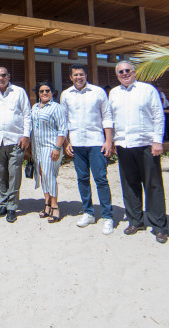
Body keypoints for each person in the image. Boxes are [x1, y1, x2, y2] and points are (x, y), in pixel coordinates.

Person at [108, 61, 169, 244]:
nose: (125, 73)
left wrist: (157, 141)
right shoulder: (114, 93)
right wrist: (112, 141)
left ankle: (159, 226)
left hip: (146, 145)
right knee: (129, 185)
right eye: (121, 72)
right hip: (124, 145)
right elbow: (111, 118)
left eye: (127, 70)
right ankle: (135, 221)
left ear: (134, 72)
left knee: (153, 185)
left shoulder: (147, 90)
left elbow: (158, 115)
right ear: (117, 75)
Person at [60, 64, 115, 235]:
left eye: (81, 74)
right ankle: (88, 212)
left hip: (96, 142)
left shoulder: (98, 92)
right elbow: (63, 121)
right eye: (75, 75)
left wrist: (108, 140)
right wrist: (66, 142)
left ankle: (107, 216)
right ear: (71, 77)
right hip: (76, 143)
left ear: (86, 75)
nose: (79, 77)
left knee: (101, 179)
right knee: (82, 179)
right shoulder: (66, 95)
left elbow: (107, 116)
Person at [0, 67, 31, 223]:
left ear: (9, 76)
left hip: (16, 140)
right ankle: (3, 203)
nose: (1, 78)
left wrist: (26, 135)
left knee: (14, 174)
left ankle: (12, 206)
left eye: (4, 75)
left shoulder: (19, 92)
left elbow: (27, 114)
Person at [30, 81, 68, 223]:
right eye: (41, 91)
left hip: (51, 146)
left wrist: (57, 147)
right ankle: (47, 203)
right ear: (38, 94)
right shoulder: (35, 107)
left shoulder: (56, 107)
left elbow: (62, 129)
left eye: (47, 90)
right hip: (37, 147)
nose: (44, 93)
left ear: (52, 93)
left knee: (49, 175)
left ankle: (55, 206)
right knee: (42, 174)